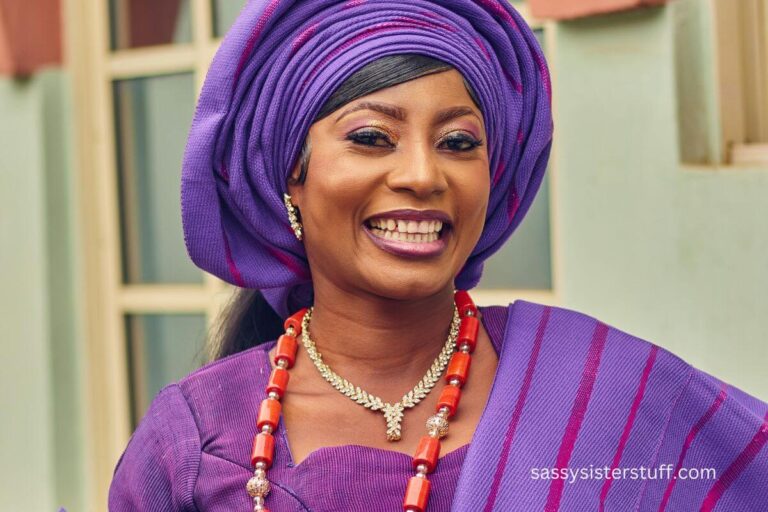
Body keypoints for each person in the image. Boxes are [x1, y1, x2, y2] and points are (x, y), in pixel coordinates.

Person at [109, 1, 768, 511]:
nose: (424, 175)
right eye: (372, 137)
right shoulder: (197, 440)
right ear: (290, 177)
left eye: (458, 142)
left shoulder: (604, 397)